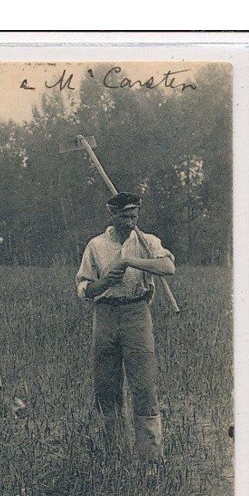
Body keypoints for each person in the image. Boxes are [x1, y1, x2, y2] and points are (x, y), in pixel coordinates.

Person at [76, 192, 176, 476]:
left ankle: (150, 461)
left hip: (136, 312)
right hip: (105, 314)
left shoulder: (147, 241)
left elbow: (168, 267)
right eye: (124, 216)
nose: (130, 222)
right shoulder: (96, 245)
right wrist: (105, 281)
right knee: (106, 386)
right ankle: (114, 457)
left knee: (144, 385)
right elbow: (83, 289)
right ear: (112, 215)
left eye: (134, 216)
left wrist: (131, 262)